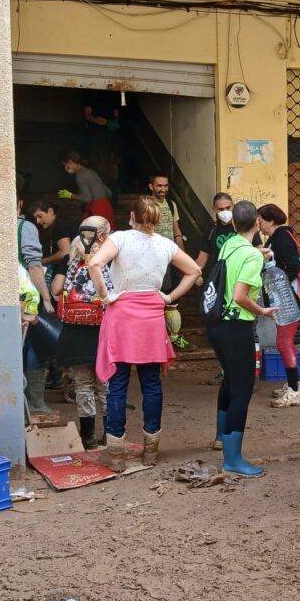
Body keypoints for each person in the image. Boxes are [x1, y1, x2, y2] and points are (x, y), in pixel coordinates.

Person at [87, 196, 201, 471]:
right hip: (152, 314)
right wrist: (168, 297)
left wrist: (106, 296)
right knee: (151, 383)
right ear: (156, 220)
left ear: (131, 217)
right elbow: (195, 270)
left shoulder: (121, 238)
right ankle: (151, 451)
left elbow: (94, 264)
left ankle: (115, 454)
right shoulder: (166, 244)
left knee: (118, 383)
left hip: (122, 313)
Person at [206, 201, 278, 477]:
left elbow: (241, 255)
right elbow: (240, 296)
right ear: (257, 224)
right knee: (243, 389)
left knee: (230, 381)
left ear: (233, 224)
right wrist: (262, 310)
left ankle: (222, 437)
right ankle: (233, 459)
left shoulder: (229, 244)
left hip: (217, 326)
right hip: (237, 326)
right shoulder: (251, 256)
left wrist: (257, 252)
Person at [51, 216, 112, 449]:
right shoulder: (109, 259)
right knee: (105, 384)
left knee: (83, 386)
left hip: (74, 332)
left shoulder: (70, 258)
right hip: (103, 331)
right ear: (103, 234)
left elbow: (56, 289)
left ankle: (88, 438)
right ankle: (110, 434)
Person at [256, 203, 300, 408]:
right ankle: (295, 384)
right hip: (284, 299)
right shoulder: (277, 238)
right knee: (284, 342)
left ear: (272, 220)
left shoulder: (281, 238)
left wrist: (278, 284)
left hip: (287, 300)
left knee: (285, 343)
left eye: (261, 220)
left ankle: (294, 391)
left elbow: (292, 266)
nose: (258, 224)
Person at [17, 196, 56, 415]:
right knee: (35, 348)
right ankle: (35, 403)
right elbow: (34, 265)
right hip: (26, 298)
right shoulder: (25, 227)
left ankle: (14, 404)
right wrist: (47, 298)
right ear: (20, 204)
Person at [148, 173, 188, 348]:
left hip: (171, 258)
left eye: (165, 186)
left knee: (172, 299)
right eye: (159, 186)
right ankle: (155, 339)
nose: (163, 189)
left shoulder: (172, 205)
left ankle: (173, 337)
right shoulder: (145, 206)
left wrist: (183, 258)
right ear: (151, 186)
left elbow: (176, 231)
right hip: (151, 259)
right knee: (153, 298)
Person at [193, 192, 237, 287]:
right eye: (221, 209)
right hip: (220, 278)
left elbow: (257, 248)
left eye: (228, 208)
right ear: (214, 209)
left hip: (240, 277)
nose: (225, 212)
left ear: (233, 206)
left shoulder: (243, 225)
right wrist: (194, 273)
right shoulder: (212, 229)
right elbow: (203, 257)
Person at [60, 150, 114, 224]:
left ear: (70, 162)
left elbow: (88, 198)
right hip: (107, 208)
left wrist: (69, 195)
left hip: (96, 211)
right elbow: (109, 193)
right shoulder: (91, 172)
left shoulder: (80, 175)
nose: (66, 168)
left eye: (65, 165)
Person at [31, 198, 79, 275]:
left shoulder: (60, 226)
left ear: (51, 211)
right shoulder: (59, 225)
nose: (38, 221)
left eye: (40, 216)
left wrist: (41, 262)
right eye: (36, 218)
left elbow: (65, 252)